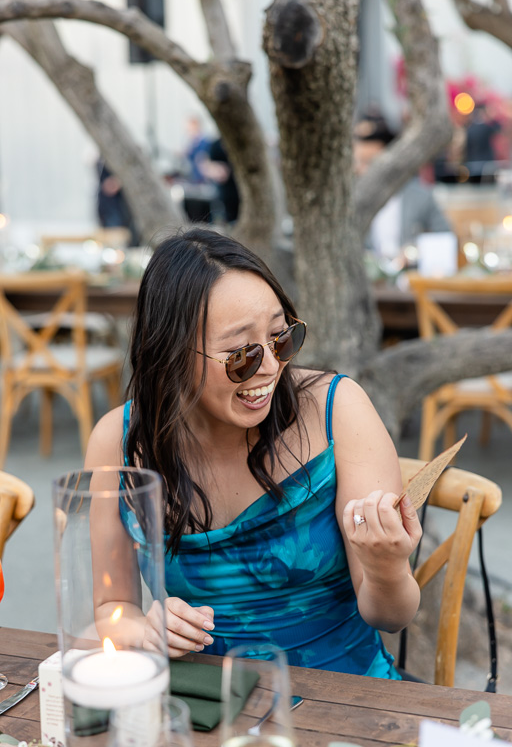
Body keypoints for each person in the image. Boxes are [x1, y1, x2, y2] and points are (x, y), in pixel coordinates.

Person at [85, 227, 422, 678]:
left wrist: (386, 567)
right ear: (170, 354)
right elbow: (112, 607)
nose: (271, 367)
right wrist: (145, 630)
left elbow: (392, 617)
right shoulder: (119, 441)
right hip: (206, 705)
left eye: (282, 338)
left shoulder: (336, 409)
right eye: (241, 354)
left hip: (344, 699)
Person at [353, 116, 450, 261]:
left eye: (369, 162)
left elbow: (444, 237)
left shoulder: (421, 196)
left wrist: (414, 253)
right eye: (359, 162)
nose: (362, 170)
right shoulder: (351, 200)